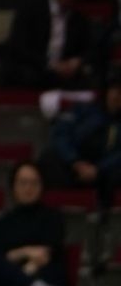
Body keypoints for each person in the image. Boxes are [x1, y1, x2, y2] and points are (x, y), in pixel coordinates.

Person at [0, 161, 70, 286]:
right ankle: (33, 285)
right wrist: (25, 254)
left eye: (34, 183)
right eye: (23, 183)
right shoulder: (3, 222)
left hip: (42, 273)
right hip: (15, 279)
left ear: (42, 186)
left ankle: (32, 285)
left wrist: (20, 261)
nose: (28, 188)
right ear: (13, 187)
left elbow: (45, 254)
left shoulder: (53, 218)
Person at [42, 76, 121, 206]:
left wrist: (98, 169)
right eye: (115, 90)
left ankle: (103, 213)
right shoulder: (83, 109)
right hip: (73, 165)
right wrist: (74, 161)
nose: (117, 96)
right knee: (49, 157)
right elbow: (60, 134)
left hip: (105, 172)